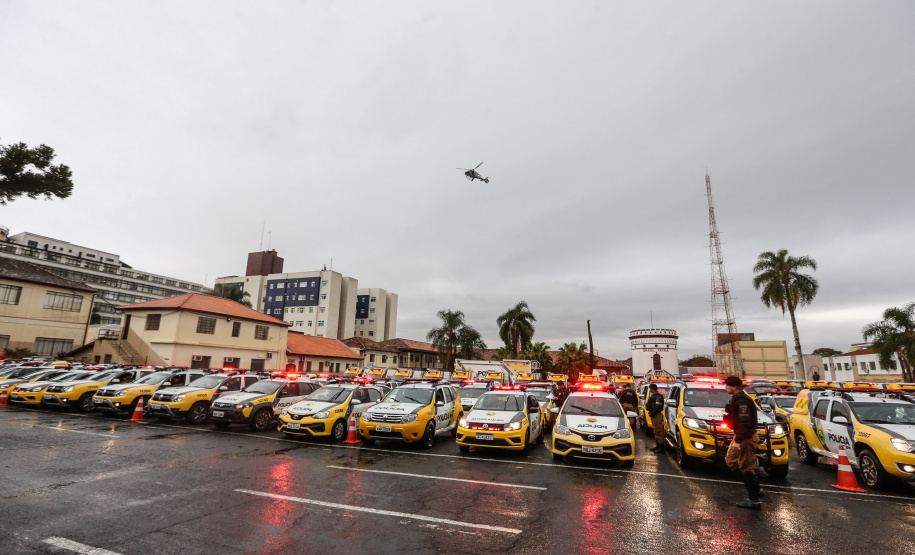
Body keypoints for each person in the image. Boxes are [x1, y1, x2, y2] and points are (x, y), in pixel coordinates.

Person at [723, 376, 763, 510]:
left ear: (734, 387)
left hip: (745, 437)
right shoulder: (737, 399)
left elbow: (744, 423)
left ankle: (754, 499)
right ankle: (755, 488)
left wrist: (739, 441)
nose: (726, 387)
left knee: (746, 466)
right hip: (740, 435)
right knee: (731, 461)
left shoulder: (742, 401)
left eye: (727, 385)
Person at [645, 384, 666, 453]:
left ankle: (661, 448)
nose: (649, 390)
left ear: (652, 388)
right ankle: (658, 446)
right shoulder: (653, 396)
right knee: (655, 431)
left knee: (659, 431)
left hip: (657, 415)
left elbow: (657, 407)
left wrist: (651, 413)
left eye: (650, 388)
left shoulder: (658, 397)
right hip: (654, 415)